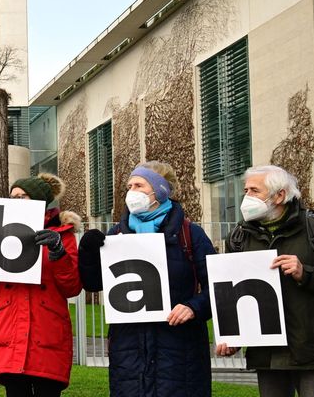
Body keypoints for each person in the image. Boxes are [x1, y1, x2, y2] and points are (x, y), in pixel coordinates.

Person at [77, 161, 215, 397]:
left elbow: (217, 287)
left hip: (180, 352)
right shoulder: (116, 234)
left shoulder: (190, 234)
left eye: (139, 185)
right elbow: (95, 284)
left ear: (160, 191)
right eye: (129, 186)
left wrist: (194, 307)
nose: (131, 192)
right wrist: (88, 253)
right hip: (129, 353)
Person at [215, 165, 314, 397]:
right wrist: (234, 337)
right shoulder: (239, 236)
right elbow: (235, 293)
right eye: (245, 190)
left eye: (254, 191)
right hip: (267, 354)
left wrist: (305, 274)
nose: (247, 197)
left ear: (280, 195)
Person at [0, 174, 83, 397]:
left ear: (39, 200)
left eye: (23, 196)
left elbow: (72, 287)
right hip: (11, 330)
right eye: (13, 197)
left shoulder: (62, 235)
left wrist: (58, 253)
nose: (16, 201)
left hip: (46, 330)